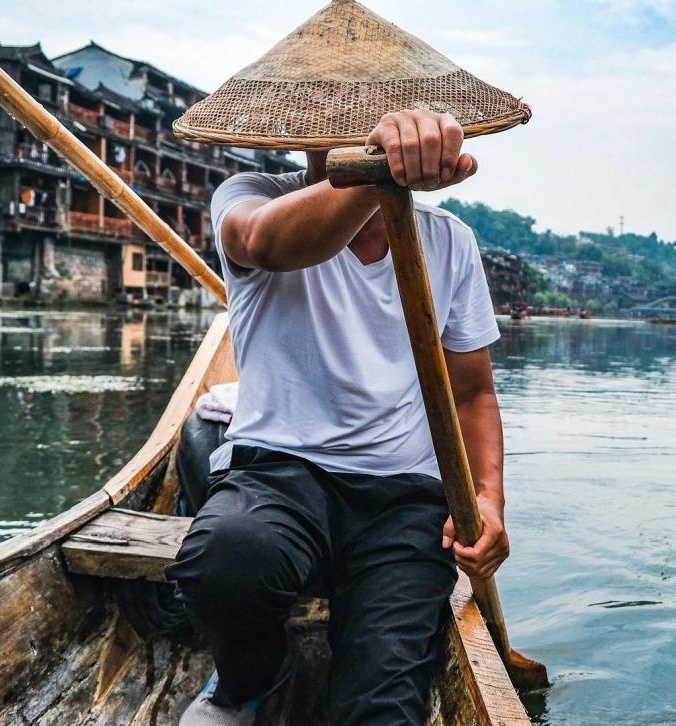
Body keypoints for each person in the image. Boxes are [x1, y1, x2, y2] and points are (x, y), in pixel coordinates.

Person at [168, 109, 509, 726]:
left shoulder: (451, 239)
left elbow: (473, 393)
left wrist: (488, 501)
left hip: (403, 499)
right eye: (344, 117)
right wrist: (377, 175)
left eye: (376, 117)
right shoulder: (251, 196)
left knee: (382, 706)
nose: (361, 125)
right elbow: (267, 244)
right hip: (277, 473)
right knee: (223, 561)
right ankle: (251, 676)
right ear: (306, 129)